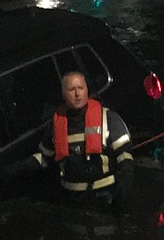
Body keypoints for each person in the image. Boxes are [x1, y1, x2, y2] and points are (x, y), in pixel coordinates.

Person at [35, 70, 135, 202]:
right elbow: (43, 158)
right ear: (63, 94)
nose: (77, 94)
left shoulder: (108, 118)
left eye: (80, 88)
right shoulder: (56, 124)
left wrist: (121, 195)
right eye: (71, 89)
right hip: (71, 198)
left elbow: (126, 158)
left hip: (104, 195)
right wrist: (15, 169)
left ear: (86, 89)